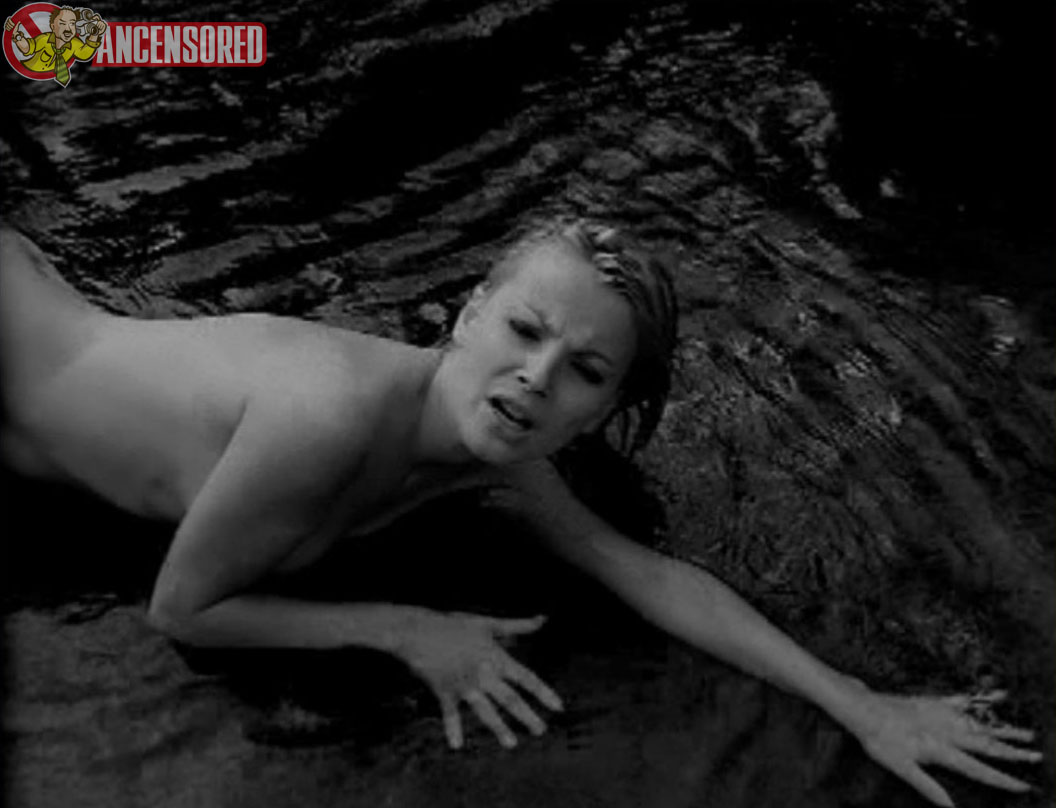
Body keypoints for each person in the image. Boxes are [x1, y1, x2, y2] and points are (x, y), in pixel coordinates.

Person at [0, 221, 1041, 807]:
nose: (537, 378)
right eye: (524, 329)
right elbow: (184, 609)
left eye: (583, 370)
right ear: (467, 315)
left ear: (606, 408)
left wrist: (863, 705)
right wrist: (409, 629)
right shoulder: (326, 412)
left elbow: (643, 572)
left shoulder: (492, 459)